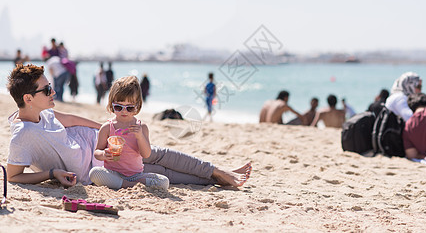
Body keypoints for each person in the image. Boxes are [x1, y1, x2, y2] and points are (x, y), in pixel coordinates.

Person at [6, 64, 251, 188]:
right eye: (47, 89)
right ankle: (215, 178)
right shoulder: (23, 134)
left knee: (158, 154)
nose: (53, 91)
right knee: (161, 170)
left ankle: (217, 171)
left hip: (101, 142)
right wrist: (51, 174)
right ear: (28, 98)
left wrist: (106, 126)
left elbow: (69, 119)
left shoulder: (42, 112)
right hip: (99, 164)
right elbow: (13, 176)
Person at [89, 76, 169, 190]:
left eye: (130, 108)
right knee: (95, 173)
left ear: (137, 106)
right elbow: (97, 152)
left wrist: (140, 136)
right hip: (113, 173)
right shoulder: (107, 127)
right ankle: (130, 185)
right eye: (118, 107)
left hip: (136, 175)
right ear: (111, 105)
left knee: (164, 182)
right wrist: (103, 154)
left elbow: (146, 154)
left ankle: (124, 184)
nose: (124, 111)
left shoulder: (142, 127)